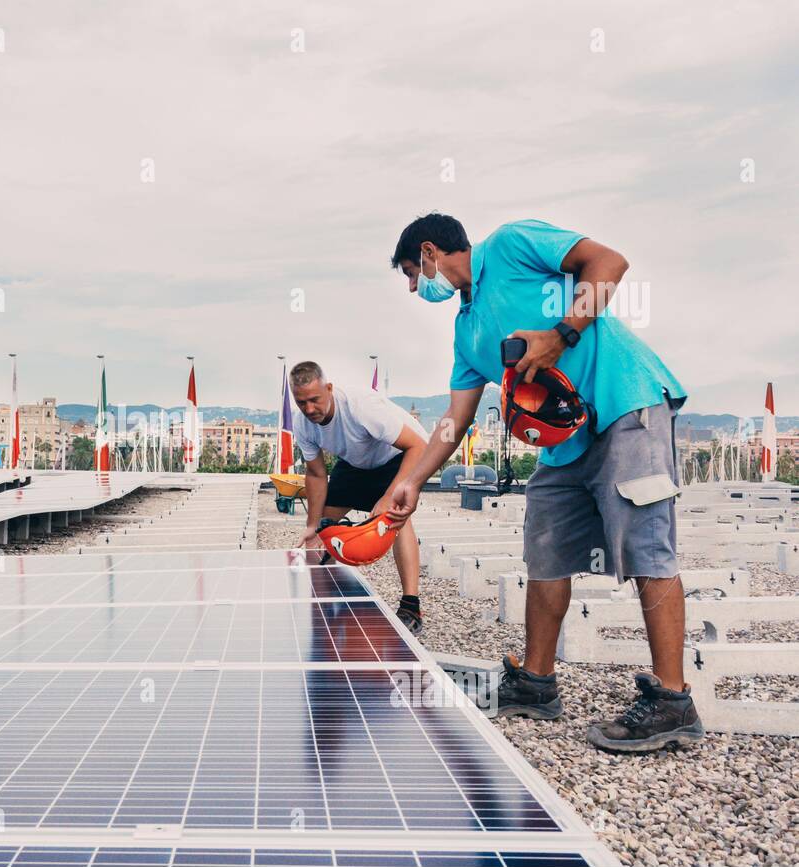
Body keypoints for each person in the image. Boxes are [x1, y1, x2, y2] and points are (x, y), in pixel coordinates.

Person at [385, 213, 700, 754]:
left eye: (415, 274)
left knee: (645, 546)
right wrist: (411, 480)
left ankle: (673, 701)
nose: (417, 288)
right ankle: (536, 681)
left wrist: (561, 334)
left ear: (432, 252)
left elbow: (609, 262)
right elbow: (453, 420)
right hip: (562, 440)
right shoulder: (467, 331)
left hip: (626, 405)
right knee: (546, 549)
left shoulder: (511, 245)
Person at [292, 361, 430, 634]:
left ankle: (411, 606)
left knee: (396, 519)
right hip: (356, 461)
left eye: (314, 400)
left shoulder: (360, 406)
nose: (309, 409)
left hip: (399, 456)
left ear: (329, 389)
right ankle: (320, 593)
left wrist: (390, 497)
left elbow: (418, 446)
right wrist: (312, 525)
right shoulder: (303, 424)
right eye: (301, 403)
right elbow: (316, 474)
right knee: (323, 527)